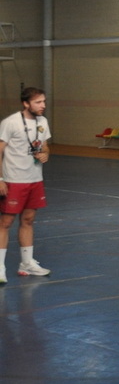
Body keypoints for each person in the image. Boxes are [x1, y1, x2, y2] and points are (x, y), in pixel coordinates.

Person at [0, 87, 52, 284]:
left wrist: (45, 153)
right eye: (38, 102)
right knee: (5, 223)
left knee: (28, 220)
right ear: (26, 104)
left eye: (44, 101)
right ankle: (0, 267)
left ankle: (27, 263)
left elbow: (45, 145)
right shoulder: (10, 122)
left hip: (35, 179)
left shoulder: (42, 121)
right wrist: (0, 179)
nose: (43, 106)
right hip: (13, 180)